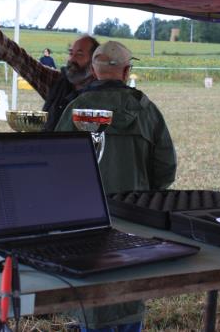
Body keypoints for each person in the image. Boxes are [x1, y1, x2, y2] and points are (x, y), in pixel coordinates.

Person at [55, 40, 177, 332]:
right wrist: (146, 195)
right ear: (126, 71)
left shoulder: (77, 108)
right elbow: (165, 167)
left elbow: (56, 166)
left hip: (85, 218)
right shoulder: (147, 110)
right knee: (129, 286)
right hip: (136, 216)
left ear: (94, 72)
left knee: (93, 289)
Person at [0, 11, 98, 130]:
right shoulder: (58, 82)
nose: (72, 59)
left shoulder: (102, 94)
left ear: (94, 61)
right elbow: (27, 63)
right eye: (71, 53)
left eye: (79, 54)